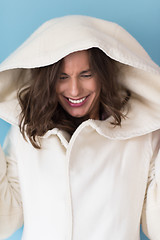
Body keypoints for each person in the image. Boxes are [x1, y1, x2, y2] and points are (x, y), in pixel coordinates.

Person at [0, 15, 160, 240]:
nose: (74, 90)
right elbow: (4, 220)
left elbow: (156, 226)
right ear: (49, 80)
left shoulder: (141, 135)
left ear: (103, 76)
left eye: (86, 75)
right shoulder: (27, 132)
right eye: (63, 77)